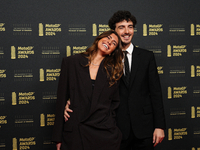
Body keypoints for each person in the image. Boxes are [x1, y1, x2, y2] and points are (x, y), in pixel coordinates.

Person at [64, 11, 166, 150]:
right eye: (121, 27)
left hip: (144, 128)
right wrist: (72, 102)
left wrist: (159, 126)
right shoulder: (104, 59)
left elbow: (156, 93)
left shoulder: (147, 57)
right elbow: (90, 88)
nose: (127, 31)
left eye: (130, 27)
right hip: (115, 128)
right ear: (114, 31)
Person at [52, 30, 124, 150]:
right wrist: (57, 138)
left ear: (113, 52)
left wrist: (109, 123)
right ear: (99, 39)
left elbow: (114, 103)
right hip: (76, 133)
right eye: (108, 37)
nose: (109, 42)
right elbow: (61, 100)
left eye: (114, 43)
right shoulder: (71, 62)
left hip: (103, 134)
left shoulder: (114, 72)